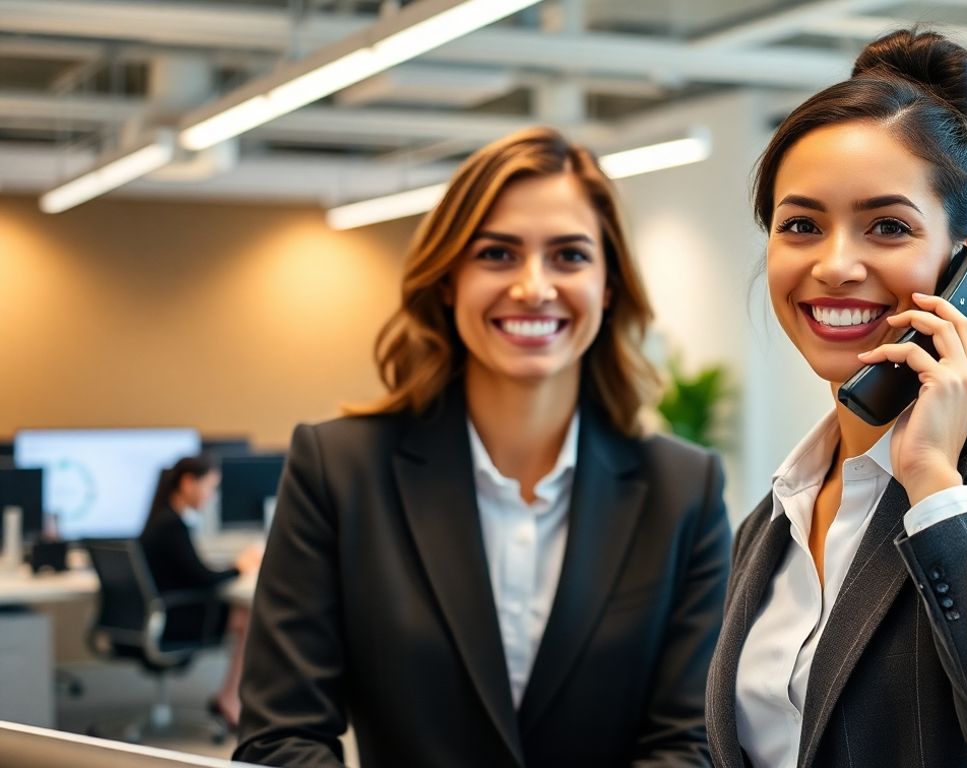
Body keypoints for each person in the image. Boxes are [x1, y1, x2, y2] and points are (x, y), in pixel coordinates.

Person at [234, 127, 731, 768]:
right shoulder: (339, 470)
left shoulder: (683, 489)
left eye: (569, 256)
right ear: (447, 281)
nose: (533, 287)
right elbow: (281, 736)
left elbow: (686, 745)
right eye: (497, 254)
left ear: (608, 286)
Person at [704, 29, 967, 768]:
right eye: (801, 225)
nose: (835, 265)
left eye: (888, 226)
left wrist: (932, 480)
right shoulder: (770, 521)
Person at [139, 455, 260, 729]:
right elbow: (203, 578)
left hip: (165, 611)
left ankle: (230, 697)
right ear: (188, 483)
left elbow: (191, 570)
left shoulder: (162, 519)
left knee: (243, 614)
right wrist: (239, 566)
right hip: (176, 617)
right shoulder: (171, 525)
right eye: (209, 487)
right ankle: (230, 699)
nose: (211, 496)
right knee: (249, 617)